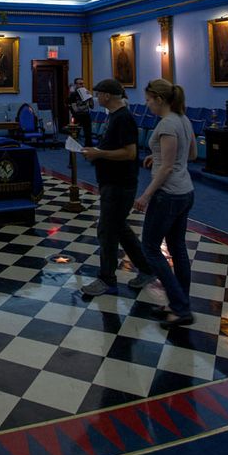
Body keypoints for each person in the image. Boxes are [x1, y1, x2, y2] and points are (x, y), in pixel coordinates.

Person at [133, 78, 197, 329]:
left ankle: (180, 308)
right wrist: (156, 154)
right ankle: (178, 303)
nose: (147, 104)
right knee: (177, 247)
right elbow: (190, 154)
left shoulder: (168, 124)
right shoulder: (183, 119)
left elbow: (168, 166)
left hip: (167, 194)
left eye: (149, 100)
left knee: (150, 248)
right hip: (185, 191)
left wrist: (146, 194)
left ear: (159, 99)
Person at [81, 78, 154, 296]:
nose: (95, 97)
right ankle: (147, 268)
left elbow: (130, 153)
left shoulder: (123, 118)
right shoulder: (114, 117)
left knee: (106, 230)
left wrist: (99, 153)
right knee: (118, 228)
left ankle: (107, 279)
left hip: (120, 183)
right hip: (111, 181)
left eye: (98, 94)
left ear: (107, 96)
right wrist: (96, 152)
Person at [68, 77, 94, 146]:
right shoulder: (73, 95)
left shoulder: (86, 92)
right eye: (80, 84)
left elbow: (92, 106)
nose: (82, 85)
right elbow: (75, 109)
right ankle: (73, 151)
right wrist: (86, 106)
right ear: (76, 85)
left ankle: (89, 150)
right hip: (77, 116)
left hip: (86, 116)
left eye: (83, 83)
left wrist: (90, 97)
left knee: (88, 135)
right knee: (74, 135)